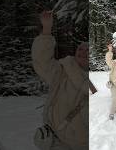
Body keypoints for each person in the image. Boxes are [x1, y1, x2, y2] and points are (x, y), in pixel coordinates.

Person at [31, 10, 87, 150]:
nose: (83, 52)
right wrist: (46, 29)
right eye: (80, 49)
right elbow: (41, 62)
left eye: (88, 51)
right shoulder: (63, 70)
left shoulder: (101, 79)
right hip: (57, 140)